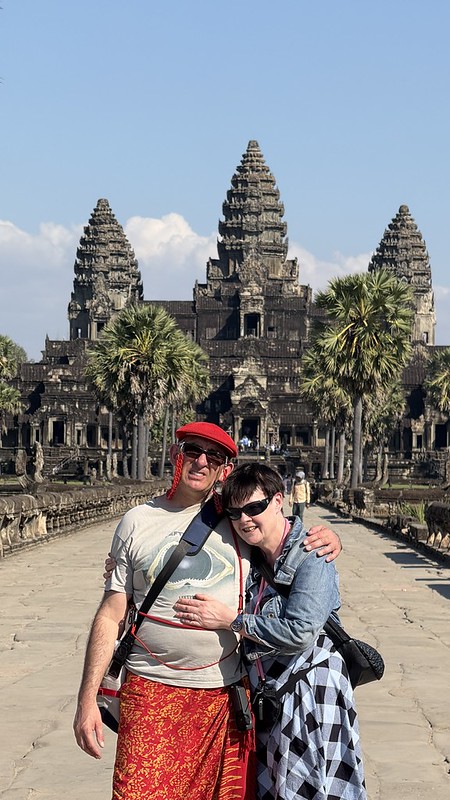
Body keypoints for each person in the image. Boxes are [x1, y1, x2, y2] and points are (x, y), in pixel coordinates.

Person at [74, 422, 342, 800]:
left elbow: (286, 540)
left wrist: (330, 538)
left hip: (222, 699)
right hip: (149, 693)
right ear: (174, 455)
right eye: (191, 451)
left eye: (213, 456)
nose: (200, 461)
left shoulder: (238, 520)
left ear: (225, 470)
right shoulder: (137, 521)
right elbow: (110, 613)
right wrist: (87, 699)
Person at [174, 463, 366, 800]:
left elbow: (300, 631)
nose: (245, 519)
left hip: (311, 691)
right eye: (236, 513)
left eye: (255, 508)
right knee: (277, 787)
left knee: (311, 786)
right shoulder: (247, 553)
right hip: (271, 693)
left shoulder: (312, 554)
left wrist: (233, 620)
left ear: (278, 501)